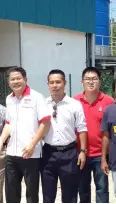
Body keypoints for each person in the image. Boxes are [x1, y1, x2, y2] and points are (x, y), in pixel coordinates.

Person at [0, 67, 51, 203]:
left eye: (18, 78)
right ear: (9, 82)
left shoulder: (36, 97)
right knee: (11, 193)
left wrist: (32, 144)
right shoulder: (9, 99)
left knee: (31, 193)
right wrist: (1, 140)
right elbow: (9, 123)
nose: (15, 82)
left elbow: (46, 123)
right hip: (11, 154)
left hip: (30, 154)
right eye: (12, 79)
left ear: (25, 79)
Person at [41, 69, 88, 203]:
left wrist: (83, 151)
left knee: (70, 194)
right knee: (48, 194)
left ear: (64, 83)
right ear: (48, 85)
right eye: (51, 82)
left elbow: (82, 129)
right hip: (48, 153)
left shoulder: (74, 105)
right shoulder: (43, 104)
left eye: (58, 82)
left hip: (69, 154)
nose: (55, 85)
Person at [74, 67, 114, 203]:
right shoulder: (74, 102)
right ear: (82, 82)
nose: (91, 82)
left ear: (100, 82)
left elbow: (113, 129)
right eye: (87, 79)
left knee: (102, 189)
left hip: (100, 155)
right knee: (83, 189)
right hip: (81, 154)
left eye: (94, 79)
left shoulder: (109, 102)